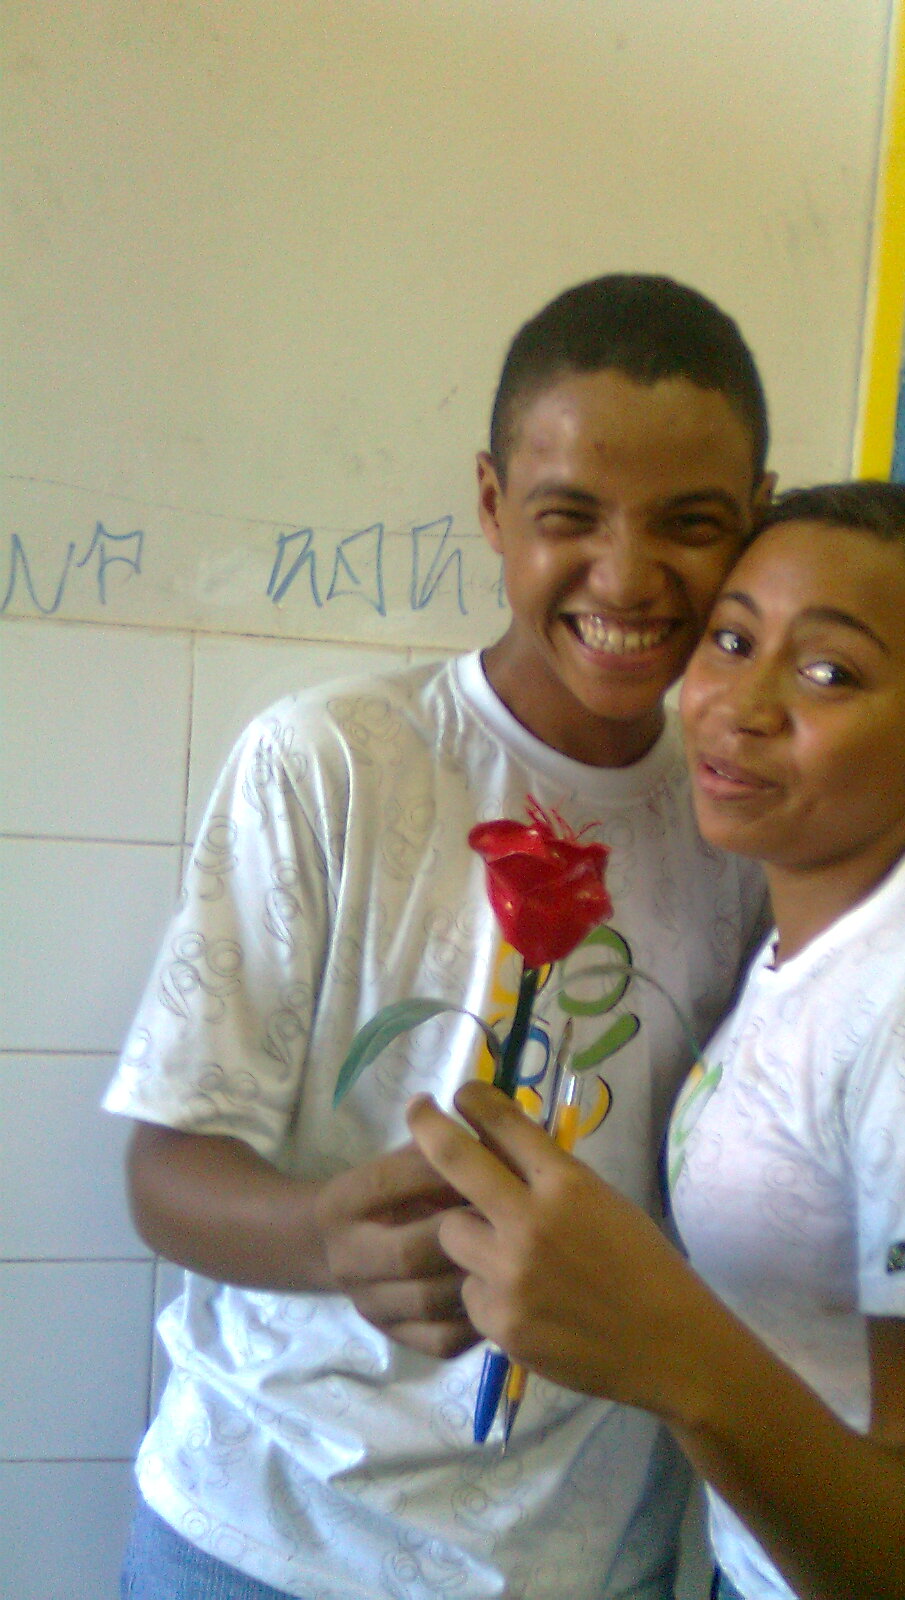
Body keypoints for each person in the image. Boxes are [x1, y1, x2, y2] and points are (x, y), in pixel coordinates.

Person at [103, 273, 777, 1600]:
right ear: (491, 505)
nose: (627, 576)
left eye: (691, 524)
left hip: (584, 1558)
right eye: (569, 515)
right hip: (267, 1537)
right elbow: (165, 1169)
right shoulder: (331, 762)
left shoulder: (751, 821)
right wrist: (326, 1237)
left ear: (756, 516)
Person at [408, 482, 905, 1600]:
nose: (742, 705)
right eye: (733, 642)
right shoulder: (826, 925)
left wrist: (667, 1343)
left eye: (829, 673)